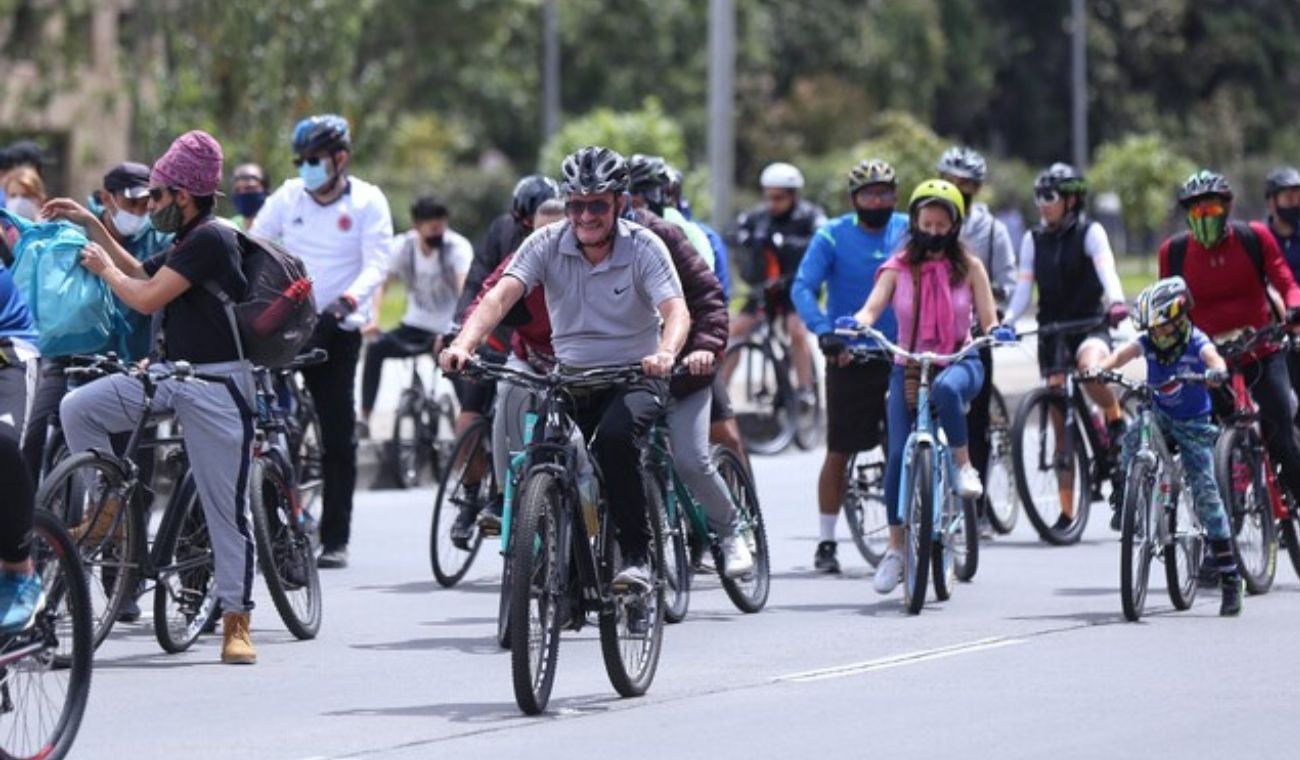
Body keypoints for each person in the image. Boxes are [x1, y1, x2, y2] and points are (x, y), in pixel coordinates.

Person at [50, 129, 259, 664]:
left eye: (159, 196)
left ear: (183, 197)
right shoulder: (188, 239)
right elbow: (143, 269)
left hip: (217, 387)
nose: (151, 206)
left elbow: (143, 297)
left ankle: (237, 619)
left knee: (225, 509)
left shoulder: (214, 239)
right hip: (170, 373)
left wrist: (102, 268)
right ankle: (107, 508)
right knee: (80, 407)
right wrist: (90, 223)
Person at [441, 146, 689, 594]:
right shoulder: (546, 243)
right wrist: (463, 344)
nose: (586, 216)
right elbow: (499, 297)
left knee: (615, 442)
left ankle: (636, 557)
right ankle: (566, 567)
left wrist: (666, 352)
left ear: (619, 203)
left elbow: (676, 311)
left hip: (635, 376)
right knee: (545, 454)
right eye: (576, 205)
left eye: (597, 205)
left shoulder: (643, 247)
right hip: (570, 378)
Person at [848, 179, 1008, 595]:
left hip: (960, 360)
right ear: (915, 222)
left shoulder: (971, 267)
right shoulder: (898, 266)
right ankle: (897, 550)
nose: (934, 231)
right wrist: (857, 325)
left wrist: (997, 331)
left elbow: (988, 319)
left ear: (954, 226)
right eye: (927, 222)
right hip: (909, 364)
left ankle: (962, 465)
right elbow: (872, 306)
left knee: (947, 393)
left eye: (942, 224)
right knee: (899, 453)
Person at [252, 114, 394, 570]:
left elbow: (377, 263)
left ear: (340, 159)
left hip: (338, 326)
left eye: (315, 159)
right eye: (300, 160)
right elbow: (256, 241)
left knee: (337, 437)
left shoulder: (369, 200)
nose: (306, 168)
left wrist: (346, 303)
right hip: (288, 326)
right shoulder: (289, 195)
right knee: (269, 428)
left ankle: (335, 538)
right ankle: (277, 524)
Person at [1083, 277, 1243, 616]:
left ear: (1180, 319)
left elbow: (1214, 359)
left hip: (1195, 426)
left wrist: (1216, 372)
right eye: (1152, 330)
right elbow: (1120, 355)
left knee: (1206, 491)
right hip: (1161, 415)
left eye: (1162, 328)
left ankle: (1230, 577)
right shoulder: (1148, 342)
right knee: (1130, 439)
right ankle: (1125, 497)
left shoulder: (1196, 341)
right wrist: (1101, 369)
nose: (1156, 336)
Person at [627, 161, 754, 576]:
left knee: (696, 457)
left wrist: (702, 350)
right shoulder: (577, 244)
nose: (590, 219)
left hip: (687, 369)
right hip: (628, 374)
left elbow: (710, 300)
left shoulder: (673, 235)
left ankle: (733, 530)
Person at [1157, 170, 1300, 514]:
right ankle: (1218, 536)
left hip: (1261, 349)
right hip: (1209, 358)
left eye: (1212, 210)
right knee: (1207, 440)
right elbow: (1166, 307)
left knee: (1279, 429)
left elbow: (1286, 281)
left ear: (1228, 208)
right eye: (1197, 211)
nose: (1205, 217)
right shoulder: (1173, 253)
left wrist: (1294, 308)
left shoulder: (1254, 238)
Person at [22, 162, 174, 483]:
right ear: (107, 198)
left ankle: (128, 527)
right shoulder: (71, 234)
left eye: (145, 202)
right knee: (33, 435)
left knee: (135, 464)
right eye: (131, 201)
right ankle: (29, 521)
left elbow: (146, 279)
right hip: (71, 356)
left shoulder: (159, 239)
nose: (139, 210)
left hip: (134, 363)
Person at [791, 159, 908, 573]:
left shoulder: (910, 230)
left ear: (895, 196)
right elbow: (803, 286)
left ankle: (915, 525)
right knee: (840, 448)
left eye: (884, 193)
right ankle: (826, 541)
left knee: (909, 444)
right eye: (868, 194)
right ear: (854, 199)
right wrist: (824, 331)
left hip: (904, 353)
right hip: (850, 354)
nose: (877, 200)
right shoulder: (832, 236)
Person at [1002, 162, 1128, 530]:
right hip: (1051, 332)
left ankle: (1115, 418)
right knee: (1059, 423)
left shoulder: (1091, 232)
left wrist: (1118, 301)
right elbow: (1024, 290)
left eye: (1049, 197)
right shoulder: (1032, 240)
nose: (1042, 205)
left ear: (1070, 200)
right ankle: (1067, 512)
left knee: (1090, 372)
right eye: (1038, 197)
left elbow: (1108, 271)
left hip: (1089, 324)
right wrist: (1007, 322)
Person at [936, 146, 1018, 533]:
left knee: (976, 421)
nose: (957, 190)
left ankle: (978, 507)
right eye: (950, 182)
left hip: (972, 338)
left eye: (965, 185)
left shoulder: (992, 230)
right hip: (928, 339)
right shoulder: (920, 224)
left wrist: (988, 305)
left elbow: (1009, 281)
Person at [358, 195, 472, 435]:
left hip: (446, 327)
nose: (437, 234)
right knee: (376, 350)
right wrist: (376, 319)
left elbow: (465, 288)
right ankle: (365, 419)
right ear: (417, 226)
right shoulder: (403, 247)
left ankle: (470, 425)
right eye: (432, 229)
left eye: (441, 227)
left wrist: (463, 329)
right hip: (414, 324)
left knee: (459, 371)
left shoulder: (456, 248)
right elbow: (384, 284)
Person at [730, 162, 825, 402]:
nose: (772, 203)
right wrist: (743, 237)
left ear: (793, 195)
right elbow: (732, 230)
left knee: (796, 330)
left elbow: (821, 240)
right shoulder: (758, 216)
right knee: (735, 331)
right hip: (765, 286)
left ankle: (805, 388)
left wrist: (787, 242)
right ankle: (719, 396)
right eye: (768, 197)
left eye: (779, 197)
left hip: (796, 285)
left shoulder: (809, 215)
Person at [1262, 165, 1300, 400]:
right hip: (1271, 327)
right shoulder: (1258, 238)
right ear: (1272, 202)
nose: (1295, 203)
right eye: (1289, 197)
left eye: (1299, 196)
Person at [229, 163, 270, 230]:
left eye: (249, 188)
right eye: (237, 190)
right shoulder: (231, 227)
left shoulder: (281, 226)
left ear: (265, 189)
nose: (243, 193)